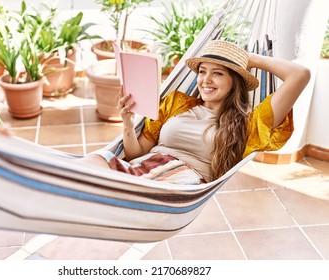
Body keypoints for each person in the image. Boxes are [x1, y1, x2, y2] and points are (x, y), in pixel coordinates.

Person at [81, 39, 311, 184]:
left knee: (113, 185)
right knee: (92, 161)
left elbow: (299, 75)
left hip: (179, 182)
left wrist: (248, 59)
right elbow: (134, 153)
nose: (205, 80)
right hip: (142, 169)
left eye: (218, 73)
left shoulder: (251, 123)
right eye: (202, 72)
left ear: (235, 81)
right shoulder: (176, 103)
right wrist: (128, 123)